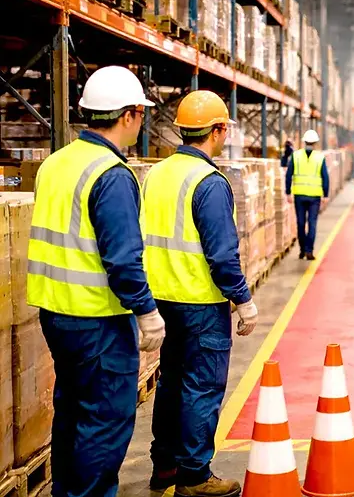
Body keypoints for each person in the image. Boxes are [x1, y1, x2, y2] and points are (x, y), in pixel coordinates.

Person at [27, 65, 164, 497]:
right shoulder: (111, 174)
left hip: (55, 313)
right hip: (97, 319)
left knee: (72, 409)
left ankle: (67, 492)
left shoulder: (55, 163)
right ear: (128, 115)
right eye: (141, 113)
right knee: (105, 420)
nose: (141, 121)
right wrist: (147, 313)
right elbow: (123, 259)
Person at [141, 89, 257, 497]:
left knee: (171, 382)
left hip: (160, 298)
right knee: (202, 385)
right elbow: (222, 255)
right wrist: (243, 300)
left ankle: (166, 466)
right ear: (219, 129)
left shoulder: (156, 173)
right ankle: (194, 475)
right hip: (199, 302)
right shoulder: (208, 182)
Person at [286, 129, 330, 260]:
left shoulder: (296, 156)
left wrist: (288, 192)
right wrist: (326, 195)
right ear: (315, 143)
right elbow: (325, 177)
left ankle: (302, 249)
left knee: (300, 223)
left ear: (304, 142)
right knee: (312, 223)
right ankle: (309, 250)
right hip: (314, 197)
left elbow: (289, 175)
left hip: (299, 195)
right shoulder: (320, 157)